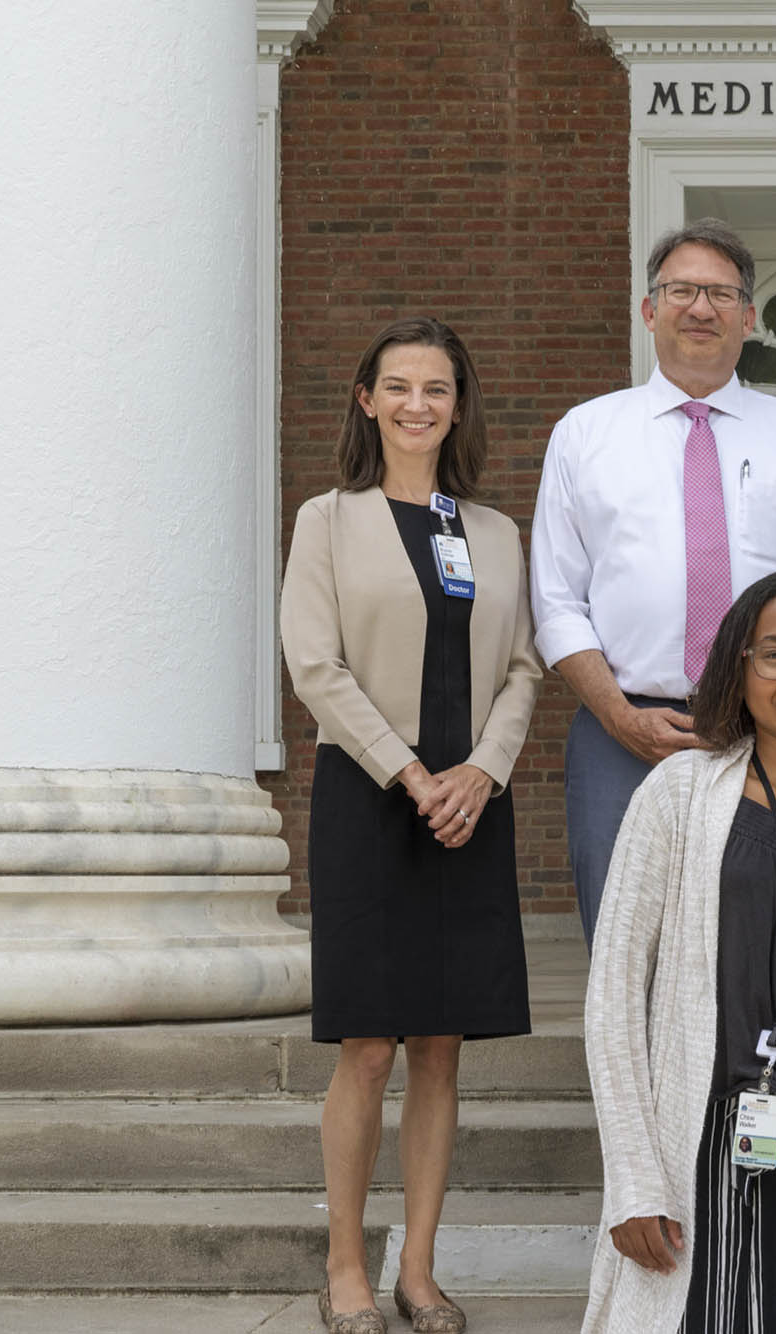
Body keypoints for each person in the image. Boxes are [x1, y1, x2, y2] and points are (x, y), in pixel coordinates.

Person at [281, 317, 542, 1334]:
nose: (417, 404)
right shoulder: (327, 519)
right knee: (370, 1046)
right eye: (398, 386)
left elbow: (522, 667)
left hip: (472, 805)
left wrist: (480, 769)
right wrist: (410, 772)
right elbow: (314, 666)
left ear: (458, 404)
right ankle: (346, 1265)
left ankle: (418, 1270)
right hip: (369, 797)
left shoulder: (492, 531)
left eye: (437, 388)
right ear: (366, 399)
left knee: (441, 1046)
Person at [581, 570, 776, 1334]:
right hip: (705, 1155)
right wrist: (634, 1180)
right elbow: (615, 990)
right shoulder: (679, 793)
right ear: (740, 666)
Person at [531, 218, 776, 948]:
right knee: (625, 945)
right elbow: (557, 602)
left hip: (772, 727)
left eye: (720, 293)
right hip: (623, 732)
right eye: (681, 290)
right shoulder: (584, 435)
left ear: (749, 316)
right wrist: (620, 716)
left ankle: (754, 1072)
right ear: (650, 311)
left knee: (765, 940)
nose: (700, 308)